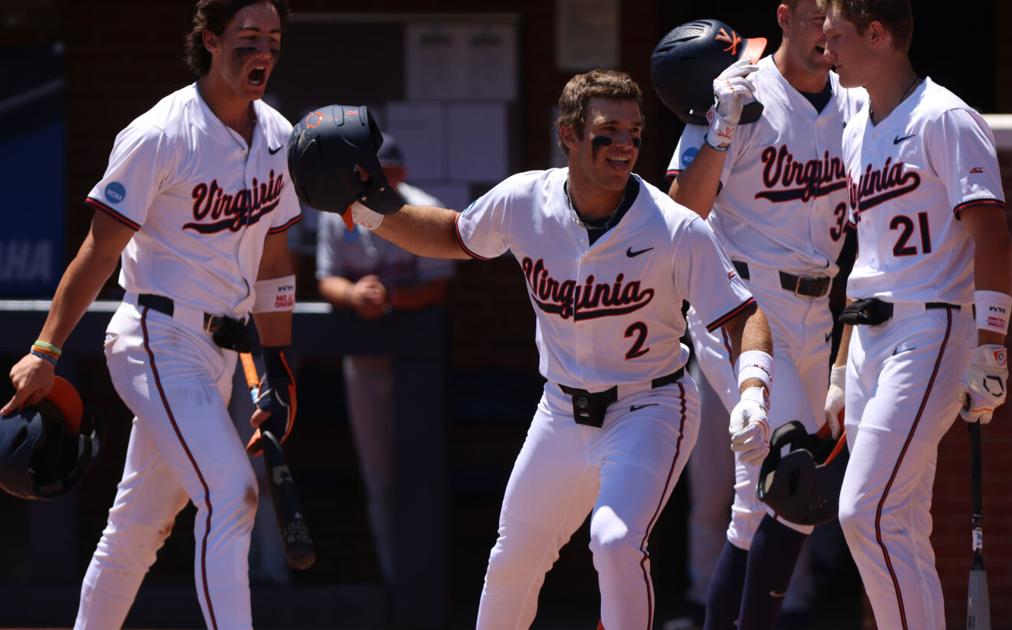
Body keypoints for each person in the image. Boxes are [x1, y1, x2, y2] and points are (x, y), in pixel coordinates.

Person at [305, 69, 774, 629]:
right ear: (568, 135)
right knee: (512, 557)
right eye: (608, 130)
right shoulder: (525, 198)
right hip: (560, 409)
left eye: (634, 132)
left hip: (649, 406)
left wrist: (752, 390)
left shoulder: (673, 227)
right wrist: (366, 210)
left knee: (615, 540)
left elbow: (746, 315)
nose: (624, 145)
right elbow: (454, 235)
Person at [0, 1, 301, 628]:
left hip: (222, 352)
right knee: (232, 494)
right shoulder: (161, 132)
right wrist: (46, 349)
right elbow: (99, 249)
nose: (262, 52)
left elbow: (275, 258)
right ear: (211, 41)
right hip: (156, 337)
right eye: (247, 38)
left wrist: (276, 364)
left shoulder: (278, 135)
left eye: (272, 38)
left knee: (139, 525)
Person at [663, 3, 866, 628]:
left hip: (817, 307)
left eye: (836, 17)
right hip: (739, 305)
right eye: (814, 15)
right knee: (783, 475)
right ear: (785, 15)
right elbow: (681, 220)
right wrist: (720, 127)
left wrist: (841, 356)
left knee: (780, 504)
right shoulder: (740, 88)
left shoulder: (857, 104)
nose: (825, 31)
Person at [819, 1, 1012, 628]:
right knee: (898, 524)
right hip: (873, 336)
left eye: (837, 34)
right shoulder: (856, 126)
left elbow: (993, 238)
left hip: (931, 329)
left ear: (876, 34)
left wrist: (992, 349)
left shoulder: (945, 117)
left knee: (864, 512)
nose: (827, 47)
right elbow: (863, 255)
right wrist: (841, 368)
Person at [314, 133, 454, 585]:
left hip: (420, 364)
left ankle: (426, 579)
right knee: (378, 474)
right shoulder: (344, 214)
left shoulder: (424, 207)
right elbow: (325, 280)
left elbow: (438, 285)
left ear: (402, 175)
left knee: (422, 468)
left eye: (388, 176)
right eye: (374, 175)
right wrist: (355, 295)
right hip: (365, 361)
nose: (381, 183)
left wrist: (391, 295)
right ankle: (396, 577)